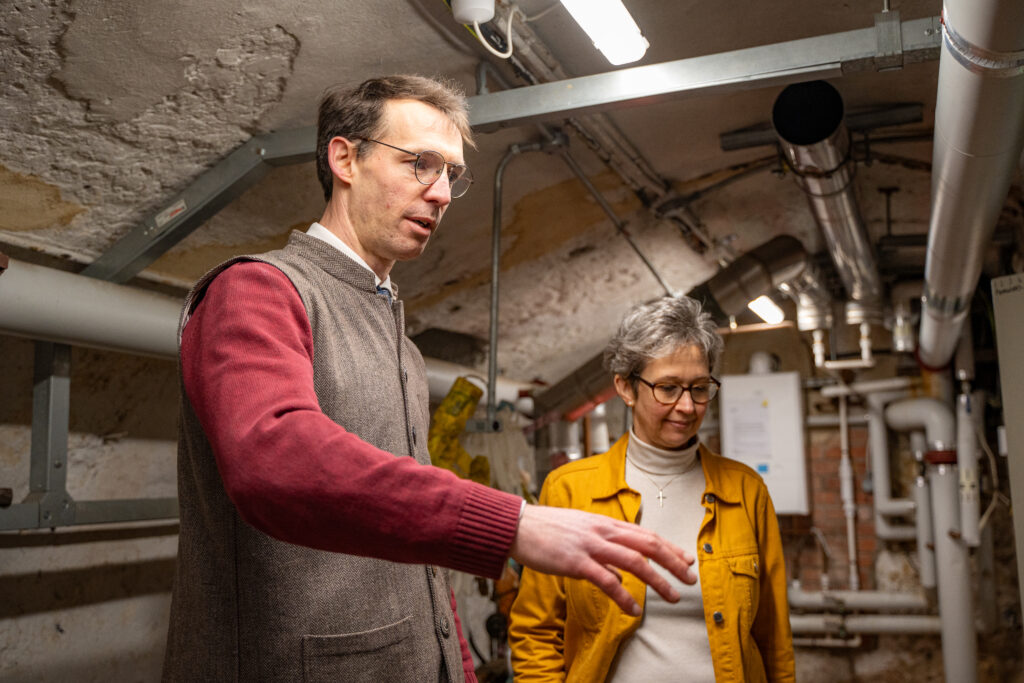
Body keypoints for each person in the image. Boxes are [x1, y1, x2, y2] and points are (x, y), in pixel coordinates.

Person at [162, 75, 698, 683]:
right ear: (345, 158)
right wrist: (512, 523)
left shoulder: (404, 349)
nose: (442, 193)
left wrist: (459, 668)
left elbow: (419, 555)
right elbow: (274, 460)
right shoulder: (258, 291)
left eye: (451, 174)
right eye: (421, 164)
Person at [508, 295, 795, 682]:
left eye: (699, 388)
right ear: (625, 388)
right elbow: (536, 632)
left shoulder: (745, 490)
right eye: (668, 388)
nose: (687, 406)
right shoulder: (570, 491)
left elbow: (772, 637)